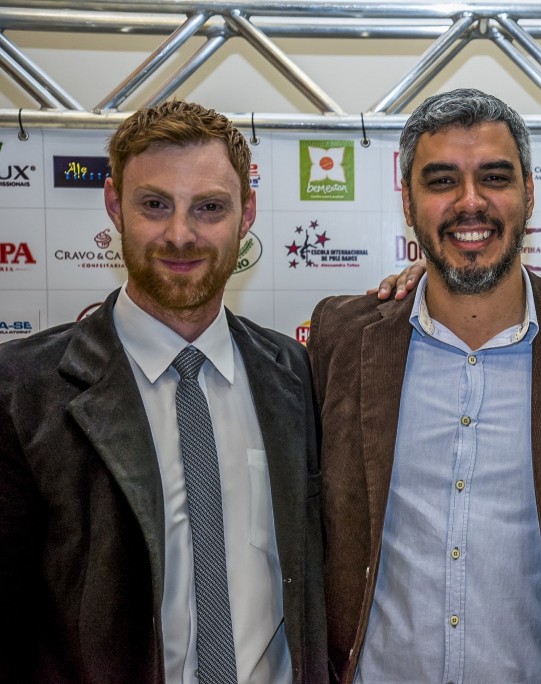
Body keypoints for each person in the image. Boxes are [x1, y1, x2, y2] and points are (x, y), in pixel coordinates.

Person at [308, 88, 541, 683]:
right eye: (442, 181)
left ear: (529, 194)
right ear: (409, 203)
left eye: (494, 177)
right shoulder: (342, 337)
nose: (471, 203)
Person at [0, 101, 327, 684]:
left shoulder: (294, 372)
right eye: (155, 205)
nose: (181, 234)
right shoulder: (23, 390)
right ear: (113, 206)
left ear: (246, 212)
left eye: (209, 207)